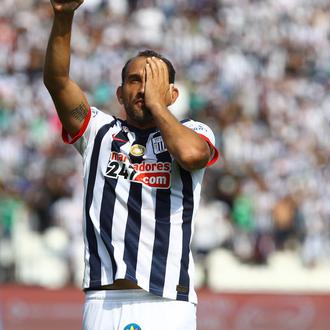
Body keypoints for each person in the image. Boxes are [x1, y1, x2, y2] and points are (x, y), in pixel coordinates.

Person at [43, 1, 219, 329]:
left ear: (172, 94)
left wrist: (155, 103)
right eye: (136, 81)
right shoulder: (98, 131)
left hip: (168, 301)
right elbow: (57, 81)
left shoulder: (195, 131)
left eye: (153, 82)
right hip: (104, 300)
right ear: (120, 93)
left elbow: (192, 155)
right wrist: (64, 17)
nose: (143, 90)